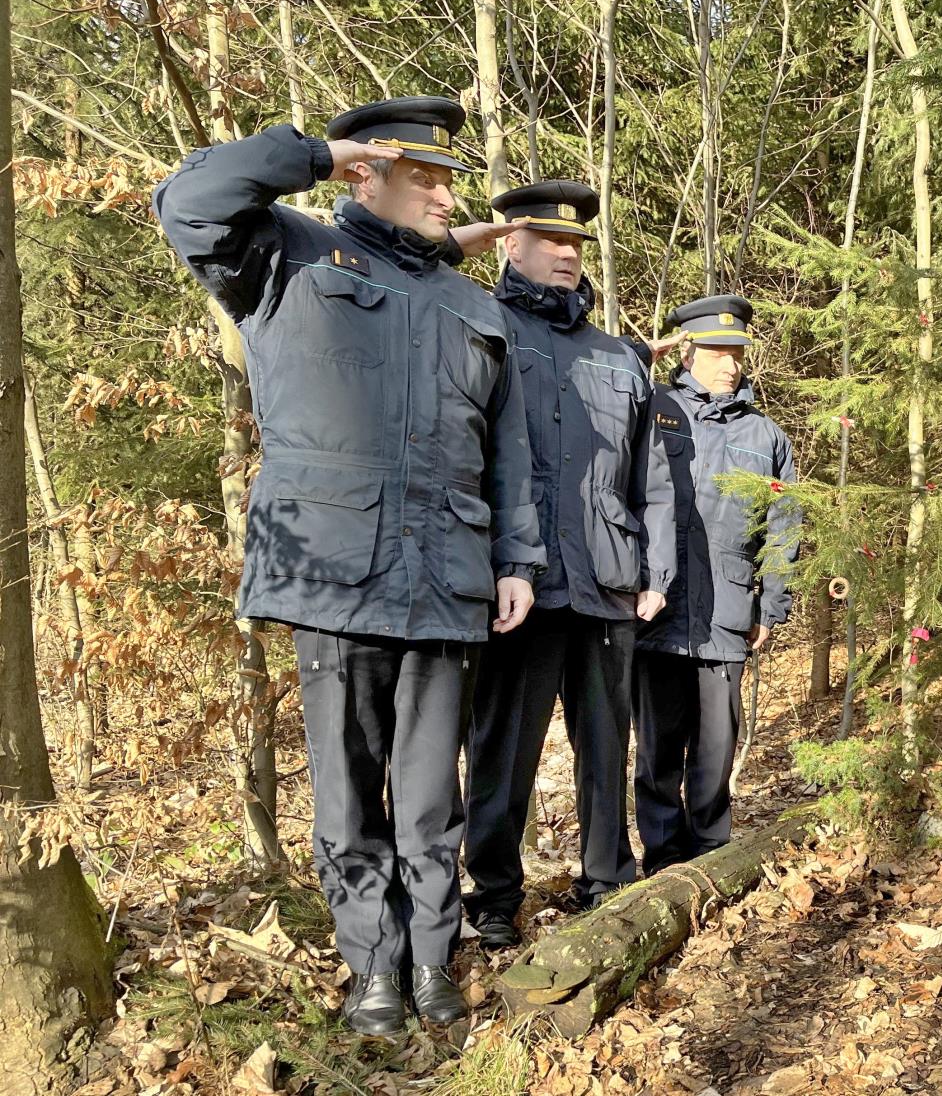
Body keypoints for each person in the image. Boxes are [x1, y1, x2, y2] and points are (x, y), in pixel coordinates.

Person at [153, 97, 542, 1036]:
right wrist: (315, 156)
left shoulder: (471, 302)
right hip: (335, 571)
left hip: (446, 574)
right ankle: (372, 966)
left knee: (428, 794)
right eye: (429, 177)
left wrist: (517, 558)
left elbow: (510, 450)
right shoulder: (286, 251)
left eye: (452, 180)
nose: (449, 195)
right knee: (347, 787)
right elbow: (187, 198)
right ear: (366, 170)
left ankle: (430, 959)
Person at [462, 180, 675, 940]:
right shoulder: (479, 325)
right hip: (519, 585)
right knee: (503, 749)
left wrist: (658, 571)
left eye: (576, 244)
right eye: (549, 241)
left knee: (606, 744)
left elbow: (652, 476)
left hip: (607, 583)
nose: (564, 254)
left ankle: (605, 881)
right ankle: (491, 896)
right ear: (509, 244)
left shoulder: (619, 357)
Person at [633, 295, 799, 874]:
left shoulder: (766, 436)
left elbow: (782, 530)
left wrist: (770, 606)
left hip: (727, 610)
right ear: (689, 351)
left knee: (714, 746)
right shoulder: (651, 410)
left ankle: (708, 851)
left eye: (738, 352)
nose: (731, 363)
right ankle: (660, 855)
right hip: (655, 608)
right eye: (719, 351)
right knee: (657, 744)